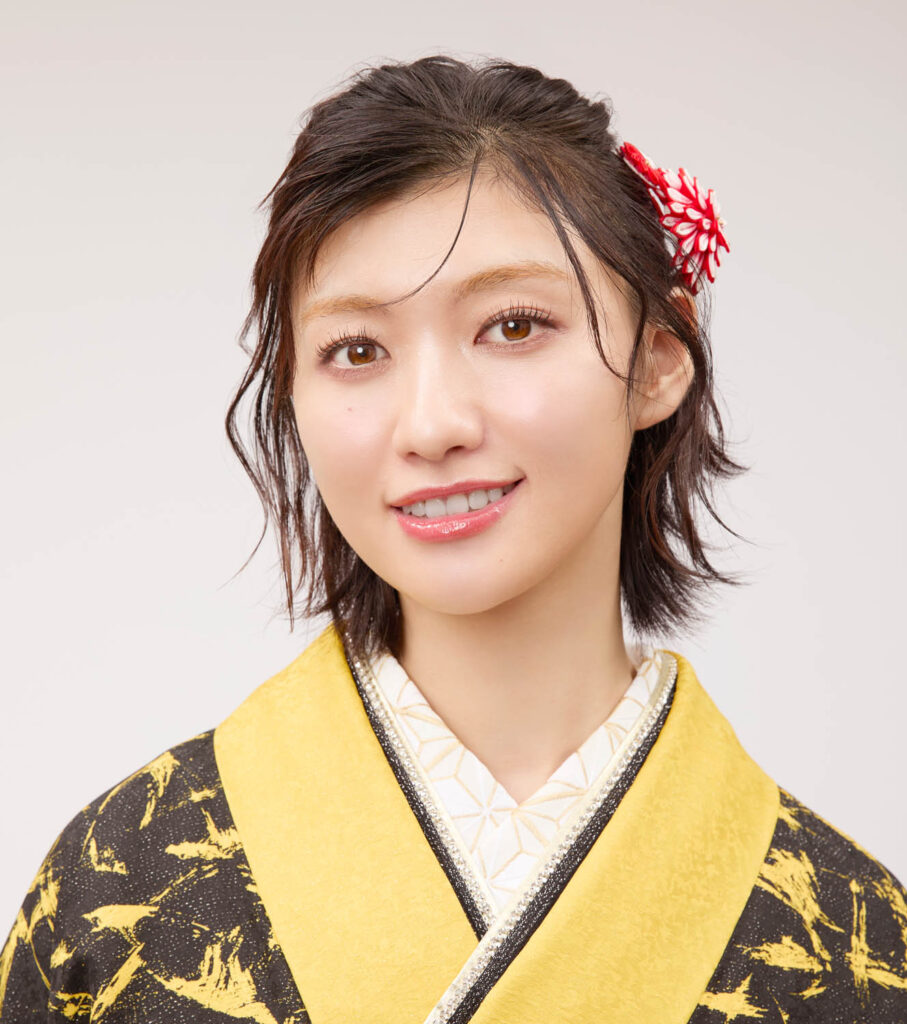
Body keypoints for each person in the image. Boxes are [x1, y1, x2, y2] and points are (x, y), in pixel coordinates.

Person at [1, 53, 904, 1024]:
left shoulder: (854, 939)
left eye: (512, 326)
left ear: (656, 360)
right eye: (356, 349)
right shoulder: (116, 888)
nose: (430, 424)